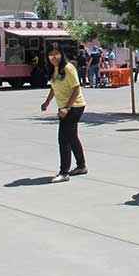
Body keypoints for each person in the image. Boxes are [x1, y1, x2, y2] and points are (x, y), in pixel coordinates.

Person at [40, 43, 87, 183]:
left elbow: (76, 88)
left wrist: (67, 108)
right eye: (50, 54)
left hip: (74, 107)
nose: (53, 57)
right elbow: (54, 87)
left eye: (56, 53)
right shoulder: (54, 69)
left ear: (61, 54)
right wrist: (47, 102)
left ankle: (64, 172)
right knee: (72, 137)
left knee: (64, 139)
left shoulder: (68, 68)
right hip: (64, 107)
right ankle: (81, 166)